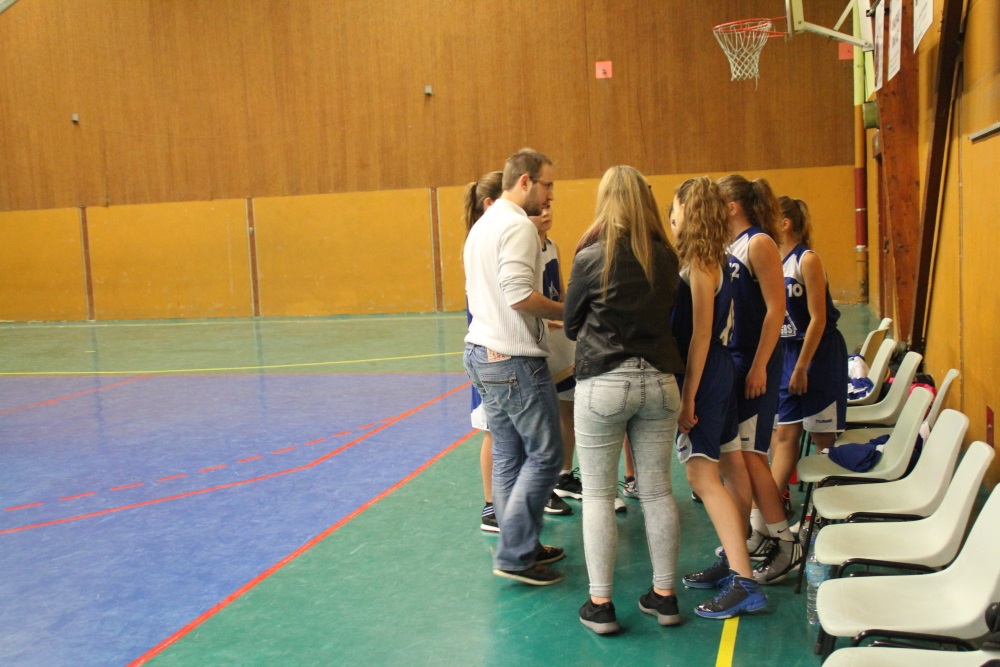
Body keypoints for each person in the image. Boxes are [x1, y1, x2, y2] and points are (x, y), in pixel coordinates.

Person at [563, 165, 684, 634]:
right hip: (660, 381)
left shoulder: (591, 257)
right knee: (657, 491)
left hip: (604, 381)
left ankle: (601, 604)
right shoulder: (665, 257)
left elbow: (572, 324)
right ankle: (665, 596)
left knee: (598, 494)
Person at [463, 148, 565, 586]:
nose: (549, 195)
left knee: (509, 454)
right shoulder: (518, 225)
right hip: (512, 358)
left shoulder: (483, 225)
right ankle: (515, 553)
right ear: (525, 181)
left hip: (481, 353)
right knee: (547, 454)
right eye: (547, 185)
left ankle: (518, 544)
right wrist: (568, 311)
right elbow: (519, 295)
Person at [670, 177, 767, 619]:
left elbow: (700, 336)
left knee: (701, 477)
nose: (672, 214)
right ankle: (735, 558)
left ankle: (744, 581)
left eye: (676, 206)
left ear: (689, 210)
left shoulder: (699, 263)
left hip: (707, 373)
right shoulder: (719, 257)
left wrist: (687, 397)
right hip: (722, 369)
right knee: (731, 465)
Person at [718, 174, 802, 585]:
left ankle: (787, 544)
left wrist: (758, 366)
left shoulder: (758, 243)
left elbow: (776, 309)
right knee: (741, 456)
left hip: (757, 361)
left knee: (753, 456)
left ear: (732, 205)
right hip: (736, 358)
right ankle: (756, 534)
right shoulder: (730, 245)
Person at [770, 196, 848, 492]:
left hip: (819, 353)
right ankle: (769, 507)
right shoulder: (771, 261)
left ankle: (829, 504)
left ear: (785, 224)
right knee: (784, 434)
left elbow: (819, 319)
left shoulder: (807, 259)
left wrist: (802, 367)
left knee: (821, 438)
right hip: (787, 352)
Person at [461, 171, 504, 532]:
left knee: (505, 432)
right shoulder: (482, 244)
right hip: (489, 352)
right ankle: (491, 506)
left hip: (498, 352)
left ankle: (506, 502)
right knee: (493, 430)